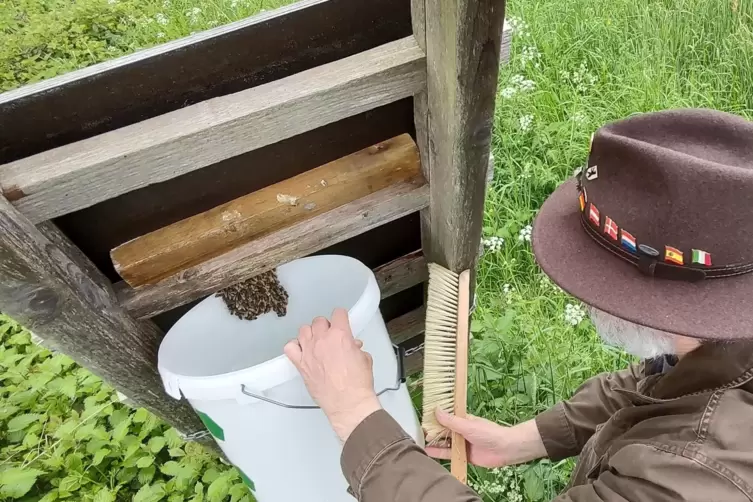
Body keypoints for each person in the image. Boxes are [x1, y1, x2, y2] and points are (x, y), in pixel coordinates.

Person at [284, 108, 753, 501]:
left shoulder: (696, 478)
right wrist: (524, 440)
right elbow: (662, 382)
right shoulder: (720, 341)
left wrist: (355, 416)